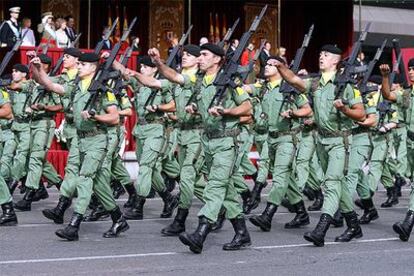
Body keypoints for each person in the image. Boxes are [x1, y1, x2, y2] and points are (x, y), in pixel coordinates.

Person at [30, 52, 129, 241]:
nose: (80, 67)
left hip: (97, 140)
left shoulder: (102, 90)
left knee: (85, 179)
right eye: (80, 64)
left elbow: (115, 117)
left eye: (83, 64)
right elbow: (50, 85)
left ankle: (74, 225)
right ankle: (118, 219)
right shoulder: (75, 87)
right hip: (80, 139)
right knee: (99, 184)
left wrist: (96, 117)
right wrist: (38, 68)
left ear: (93, 67)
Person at [275, 44, 366, 246]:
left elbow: (361, 114)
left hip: (340, 141)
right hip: (321, 140)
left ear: (336, 60)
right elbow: (295, 81)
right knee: (338, 185)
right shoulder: (315, 83)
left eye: (326, 55)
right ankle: (353, 226)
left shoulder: (347, 86)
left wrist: (344, 110)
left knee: (332, 183)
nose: (321, 57)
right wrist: (281, 67)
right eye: (320, 54)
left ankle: (321, 230)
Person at [179, 43, 253, 253]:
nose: (199, 58)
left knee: (215, 187)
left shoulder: (231, 80)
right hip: (208, 142)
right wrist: (195, 108)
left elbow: (247, 106)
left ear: (217, 59)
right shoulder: (201, 81)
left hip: (226, 142)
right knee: (227, 191)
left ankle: (200, 233)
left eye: (204, 55)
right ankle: (242, 233)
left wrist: (227, 111)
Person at [246, 56, 312, 230]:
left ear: (280, 68)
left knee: (280, 176)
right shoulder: (263, 88)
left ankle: (268, 214)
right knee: (285, 178)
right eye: (266, 64)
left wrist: (293, 114)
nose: (267, 67)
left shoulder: (290, 89)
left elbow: (307, 109)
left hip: (287, 138)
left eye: (271, 65)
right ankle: (301, 213)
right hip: (270, 138)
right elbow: (245, 88)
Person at [379, 60, 414, 242]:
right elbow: (387, 95)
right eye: (409, 69)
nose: (411, 71)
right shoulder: (407, 95)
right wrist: (385, 77)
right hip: (411, 144)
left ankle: (408, 223)